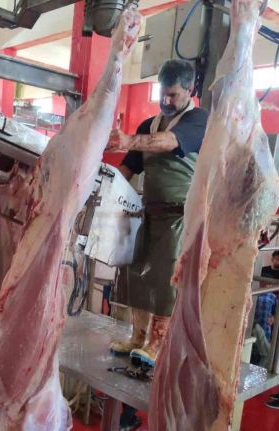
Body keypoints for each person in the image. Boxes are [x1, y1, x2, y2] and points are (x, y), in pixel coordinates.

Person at [106, 59, 209, 431]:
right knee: (136, 272)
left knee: (166, 276)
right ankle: (137, 335)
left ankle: (158, 341)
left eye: (173, 95)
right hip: (146, 211)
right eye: (162, 94)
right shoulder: (147, 125)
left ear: (190, 91)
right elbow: (130, 167)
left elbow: (170, 143)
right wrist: (102, 183)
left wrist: (128, 140)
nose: (166, 101)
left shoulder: (198, 120)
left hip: (180, 215)